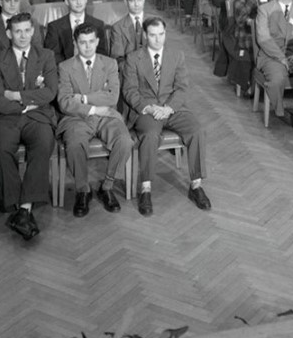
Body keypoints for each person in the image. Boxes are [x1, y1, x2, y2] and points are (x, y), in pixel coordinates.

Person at [121, 17, 211, 215]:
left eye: (161, 34)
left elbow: (181, 87)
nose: (157, 39)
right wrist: (151, 108)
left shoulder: (176, 55)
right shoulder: (133, 58)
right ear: (145, 35)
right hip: (147, 110)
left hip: (172, 108)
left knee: (196, 130)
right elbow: (129, 91)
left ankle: (196, 185)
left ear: (165, 34)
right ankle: (146, 188)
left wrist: (168, 108)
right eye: (152, 35)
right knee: (151, 135)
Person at [0, 13, 57, 242]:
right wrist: (25, 104)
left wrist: (16, 95)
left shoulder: (45, 56)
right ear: (8, 34)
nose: (23, 35)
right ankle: (18, 206)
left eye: (27, 30)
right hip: (5, 117)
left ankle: (23, 208)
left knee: (44, 142)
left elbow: (49, 92)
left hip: (37, 117)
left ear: (33, 31)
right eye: (17, 31)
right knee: (2, 147)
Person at [55, 24, 130, 217]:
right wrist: (94, 105)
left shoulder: (110, 64)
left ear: (97, 42)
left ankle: (107, 186)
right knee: (74, 144)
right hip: (77, 118)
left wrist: (83, 97)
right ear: (75, 43)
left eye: (91, 42)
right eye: (82, 42)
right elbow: (64, 102)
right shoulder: (64, 67)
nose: (87, 47)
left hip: (107, 116)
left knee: (125, 141)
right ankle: (82, 190)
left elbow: (113, 97)